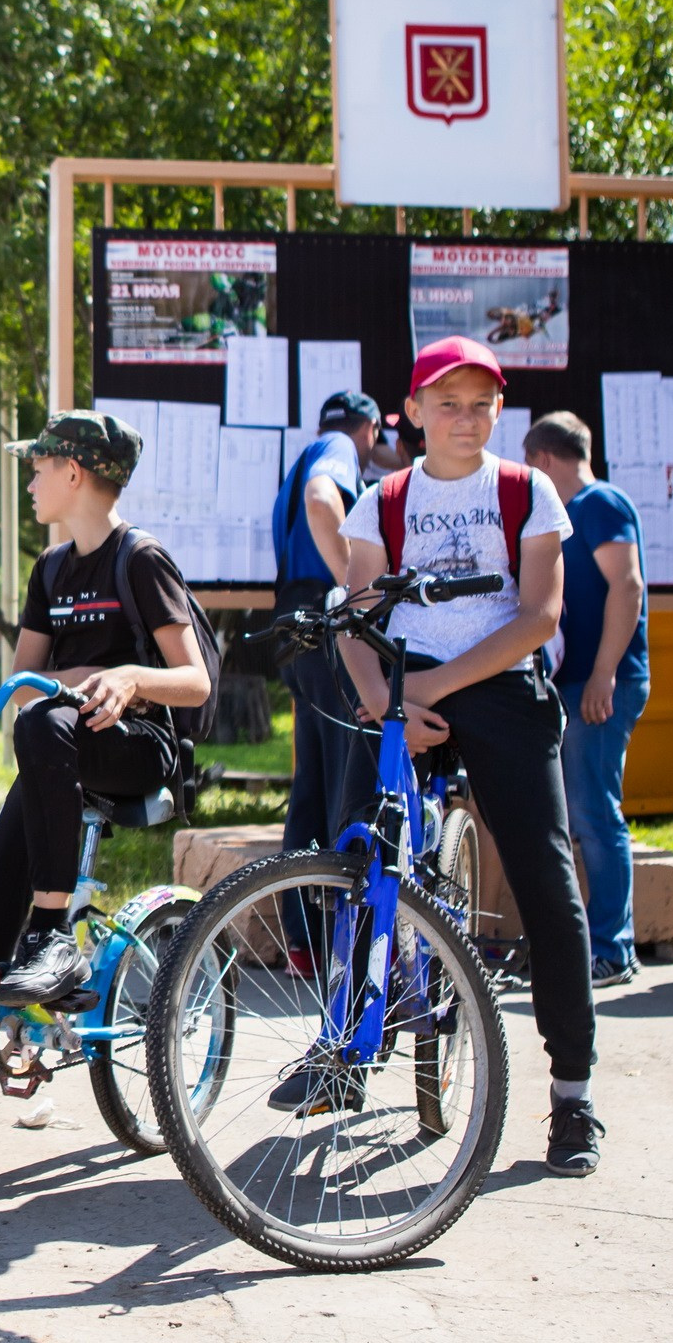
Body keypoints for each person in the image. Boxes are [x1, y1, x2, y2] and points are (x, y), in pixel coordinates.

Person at [0, 412, 212, 1160]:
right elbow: (22, 686)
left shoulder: (141, 560)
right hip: (57, 751)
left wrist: (129, 678)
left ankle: (52, 937)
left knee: (43, 725)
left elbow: (194, 681)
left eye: (38, 468)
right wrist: (61, 686)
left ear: (75, 473)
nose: (30, 480)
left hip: (136, 746)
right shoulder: (51, 570)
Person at [333, 336, 604, 1176]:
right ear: (411, 413)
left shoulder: (527, 492)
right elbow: (356, 608)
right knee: (357, 855)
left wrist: (438, 687)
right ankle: (344, 1042)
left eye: (481, 403)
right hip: (402, 691)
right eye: (446, 403)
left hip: (495, 686)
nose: (465, 417)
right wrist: (387, 701)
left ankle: (572, 1095)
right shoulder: (381, 500)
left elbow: (539, 616)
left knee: (545, 875)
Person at [524, 411, 649, 988]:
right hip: (573, 682)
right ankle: (591, 943)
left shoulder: (600, 503)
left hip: (602, 684)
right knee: (582, 815)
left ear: (545, 460)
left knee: (597, 815)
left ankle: (612, 948)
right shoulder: (574, 513)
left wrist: (604, 673)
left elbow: (627, 585)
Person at [268, 389, 383, 972]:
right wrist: (355, 591)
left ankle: (302, 940)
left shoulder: (303, 454)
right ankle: (349, 939)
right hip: (327, 619)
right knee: (348, 782)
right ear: (367, 430)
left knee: (311, 784)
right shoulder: (338, 449)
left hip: (293, 626)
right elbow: (322, 501)